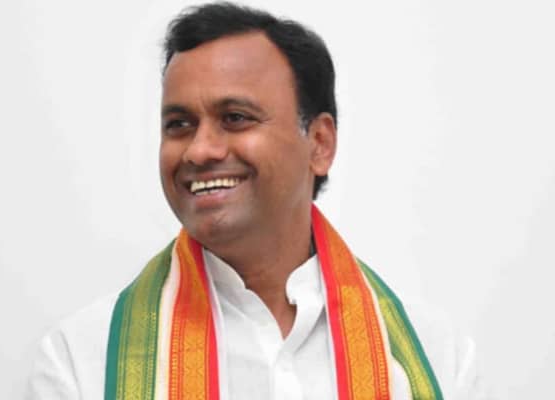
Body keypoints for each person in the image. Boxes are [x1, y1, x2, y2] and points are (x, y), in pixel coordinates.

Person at [26, 2, 486, 399]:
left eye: (235, 118)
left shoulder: (435, 359)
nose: (199, 150)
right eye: (179, 124)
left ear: (320, 143)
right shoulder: (82, 362)